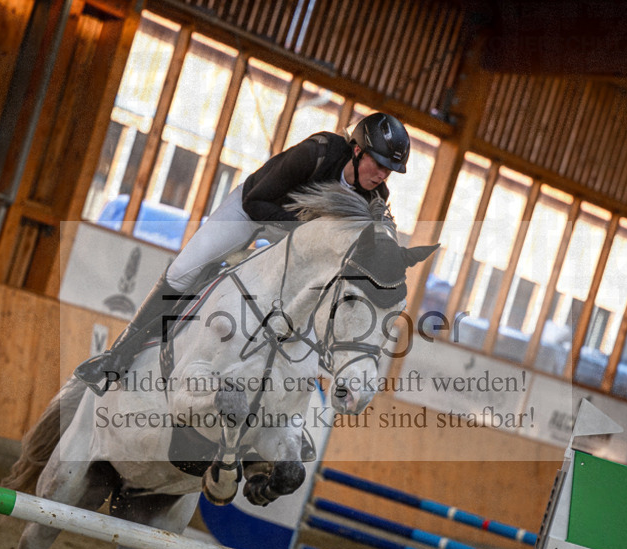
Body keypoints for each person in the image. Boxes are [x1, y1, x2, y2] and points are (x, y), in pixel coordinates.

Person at [75, 112, 411, 392]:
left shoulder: (374, 198)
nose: (382, 175)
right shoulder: (318, 152)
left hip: (293, 236)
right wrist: (303, 230)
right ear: (355, 150)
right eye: (378, 164)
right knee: (185, 270)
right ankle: (119, 355)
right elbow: (256, 202)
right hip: (251, 210)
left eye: (389, 170)